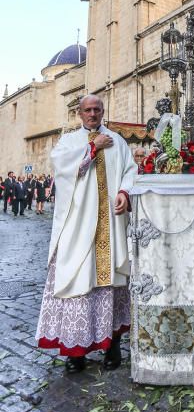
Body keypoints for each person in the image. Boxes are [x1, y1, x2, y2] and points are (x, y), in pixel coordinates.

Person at [36, 94, 137, 373]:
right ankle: (76, 352)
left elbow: (131, 170)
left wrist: (124, 192)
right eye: (88, 110)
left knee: (111, 287)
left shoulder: (118, 140)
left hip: (110, 225)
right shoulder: (69, 141)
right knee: (79, 283)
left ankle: (112, 345)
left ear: (103, 112)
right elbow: (62, 169)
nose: (93, 114)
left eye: (97, 109)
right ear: (79, 113)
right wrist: (92, 149)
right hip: (78, 227)